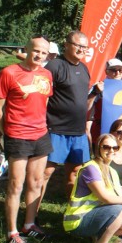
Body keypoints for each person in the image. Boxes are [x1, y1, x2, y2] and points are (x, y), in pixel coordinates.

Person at [0, 35, 53, 243]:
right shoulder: (9, 73)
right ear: (26, 49)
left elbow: (41, 103)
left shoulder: (46, 74)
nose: (39, 55)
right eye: (36, 51)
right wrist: (7, 132)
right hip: (17, 135)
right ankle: (12, 232)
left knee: (36, 182)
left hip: (41, 134)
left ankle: (29, 225)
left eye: (44, 53)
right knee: (16, 185)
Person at [41, 30, 91, 208]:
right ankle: (33, 215)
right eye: (77, 45)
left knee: (76, 172)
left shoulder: (84, 68)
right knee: (45, 173)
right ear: (67, 45)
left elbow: (83, 101)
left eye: (84, 47)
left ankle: (72, 212)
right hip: (56, 129)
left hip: (78, 132)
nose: (81, 49)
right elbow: (41, 96)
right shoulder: (54, 66)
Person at [87, 58, 122, 146]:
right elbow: (87, 108)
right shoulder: (99, 86)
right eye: (114, 70)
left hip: (121, 133)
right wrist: (95, 92)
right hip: (102, 131)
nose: (117, 73)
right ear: (106, 72)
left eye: (120, 70)